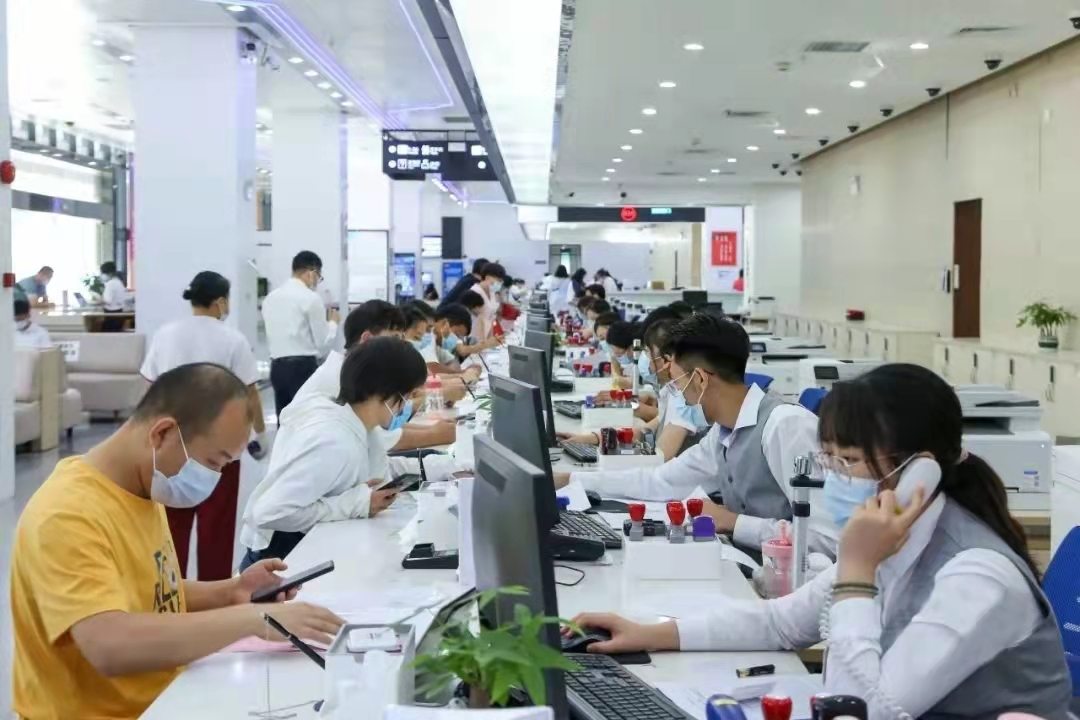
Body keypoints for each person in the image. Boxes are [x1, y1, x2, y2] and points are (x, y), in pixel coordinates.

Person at [569, 364, 1072, 720]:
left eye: (847, 461)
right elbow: (781, 622)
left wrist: (856, 574)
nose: (832, 477)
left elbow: (860, 709)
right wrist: (649, 633)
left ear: (920, 471)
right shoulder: (894, 533)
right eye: (828, 459)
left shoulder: (976, 574)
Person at [10, 364, 344, 719]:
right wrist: (254, 618)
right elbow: (108, 643)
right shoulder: (67, 513)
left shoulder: (141, 486)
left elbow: (146, 589)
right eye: (212, 462)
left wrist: (230, 592)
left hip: (167, 697)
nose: (215, 478)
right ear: (162, 433)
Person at [555, 312, 836, 557]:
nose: (677, 394)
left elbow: (830, 540)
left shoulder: (785, 427)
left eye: (677, 383)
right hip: (751, 565)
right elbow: (659, 481)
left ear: (700, 379)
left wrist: (733, 522)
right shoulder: (723, 432)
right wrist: (570, 480)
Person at [240, 337, 428, 567]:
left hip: (307, 548)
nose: (408, 406)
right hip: (278, 559)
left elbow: (380, 467)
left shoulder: (359, 424)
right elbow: (269, 512)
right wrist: (356, 504)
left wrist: (441, 467)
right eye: (408, 397)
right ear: (384, 392)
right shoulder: (333, 440)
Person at [139, 271, 268, 581]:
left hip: (172, 444)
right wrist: (260, 434)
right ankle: (215, 593)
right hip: (220, 446)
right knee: (217, 526)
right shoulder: (232, 339)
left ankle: (172, 590)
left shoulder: (165, 335)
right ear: (220, 301)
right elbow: (250, 393)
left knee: (172, 525)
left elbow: (150, 388)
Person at [286, 300, 456, 452]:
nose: (400, 347)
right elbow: (380, 440)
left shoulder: (355, 372)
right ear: (367, 339)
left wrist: (435, 430)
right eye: (395, 339)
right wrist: (435, 434)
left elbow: (377, 429)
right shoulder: (338, 379)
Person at [261, 251, 340, 415]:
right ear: (312, 272)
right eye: (319, 277)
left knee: (284, 419)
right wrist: (333, 323)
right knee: (305, 418)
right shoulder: (311, 298)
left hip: (277, 368)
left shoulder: (270, 298)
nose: (317, 282)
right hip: (302, 368)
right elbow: (322, 343)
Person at [468, 262, 506, 340]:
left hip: (487, 332)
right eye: (498, 280)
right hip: (474, 335)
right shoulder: (475, 292)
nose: (500, 284)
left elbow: (492, 316)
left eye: (501, 281)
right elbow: (476, 319)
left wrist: (491, 338)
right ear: (487, 278)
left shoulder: (492, 292)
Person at [100, 261, 128, 332]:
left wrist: (97, 299)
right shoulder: (118, 282)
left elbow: (107, 301)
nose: (102, 275)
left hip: (111, 314)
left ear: (109, 273)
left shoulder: (110, 284)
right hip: (119, 312)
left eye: (103, 273)